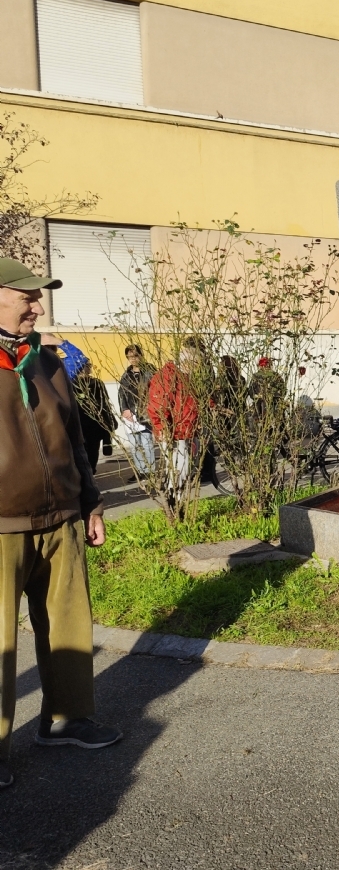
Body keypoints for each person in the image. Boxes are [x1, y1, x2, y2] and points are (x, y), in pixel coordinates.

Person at [0, 258, 122, 791]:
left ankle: (66, 718)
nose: (38, 306)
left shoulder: (46, 363)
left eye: (39, 296)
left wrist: (90, 503)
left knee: (69, 624)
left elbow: (74, 440)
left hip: (62, 518)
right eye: (27, 296)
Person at [147, 338, 203, 502]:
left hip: (184, 431)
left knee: (182, 469)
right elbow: (159, 405)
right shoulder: (168, 376)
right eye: (195, 365)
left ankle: (178, 499)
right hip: (174, 433)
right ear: (188, 362)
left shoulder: (183, 376)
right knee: (178, 470)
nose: (197, 369)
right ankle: (176, 501)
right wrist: (163, 428)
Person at [118, 344, 156, 478]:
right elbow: (122, 393)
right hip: (131, 415)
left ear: (140, 355)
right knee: (135, 445)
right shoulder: (126, 375)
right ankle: (140, 471)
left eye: (134, 356)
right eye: (129, 357)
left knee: (147, 443)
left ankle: (150, 471)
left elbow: (156, 390)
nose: (132, 359)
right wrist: (125, 409)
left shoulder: (150, 371)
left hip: (145, 413)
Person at [72, 360, 116, 473]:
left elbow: (104, 403)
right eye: (87, 365)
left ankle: (91, 472)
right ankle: (84, 474)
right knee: (80, 452)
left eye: (89, 365)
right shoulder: (71, 384)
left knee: (93, 450)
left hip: (94, 424)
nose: (89, 368)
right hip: (78, 424)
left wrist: (108, 422)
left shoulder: (97, 383)